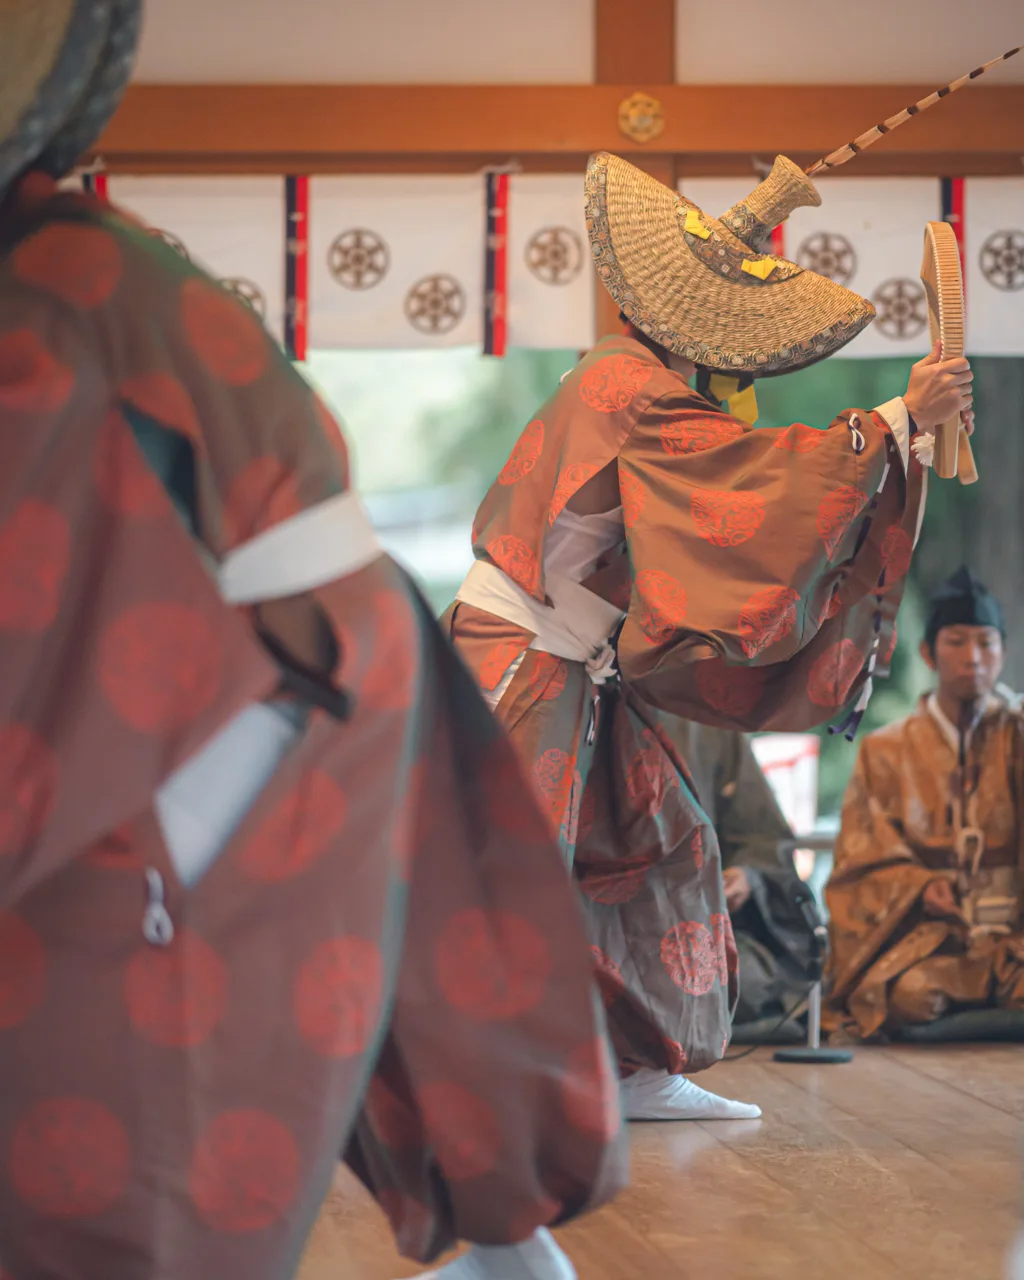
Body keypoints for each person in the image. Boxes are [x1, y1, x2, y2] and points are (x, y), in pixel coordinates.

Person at [0, 6, 626, 1278]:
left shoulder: (44, 302)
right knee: (409, 1008)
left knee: (115, 1112)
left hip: (249, 692)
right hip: (316, 670)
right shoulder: (84, 266)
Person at [442, 148, 973, 1130]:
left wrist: (903, 427)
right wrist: (900, 418)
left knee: (666, 840)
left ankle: (638, 1065)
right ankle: (466, 1080)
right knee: (502, 866)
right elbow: (755, 482)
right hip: (519, 660)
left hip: (572, 666)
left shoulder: (638, 381)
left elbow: (727, 480)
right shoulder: (627, 383)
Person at [827, 568, 1024, 1037]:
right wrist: (920, 887)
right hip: (930, 941)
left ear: (1003, 652)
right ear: (927, 653)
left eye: (986, 643)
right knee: (909, 997)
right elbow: (859, 859)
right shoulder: (886, 750)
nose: (972, 658)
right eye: (956, 642)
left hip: (1014, 938)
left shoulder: (1018, 738)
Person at [658, 718, 817, 1032]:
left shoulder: (703, 720)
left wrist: (745, 876)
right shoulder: (571, 713)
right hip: (592, 930)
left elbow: (764, 839)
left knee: (743, 984)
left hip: (692, 925)